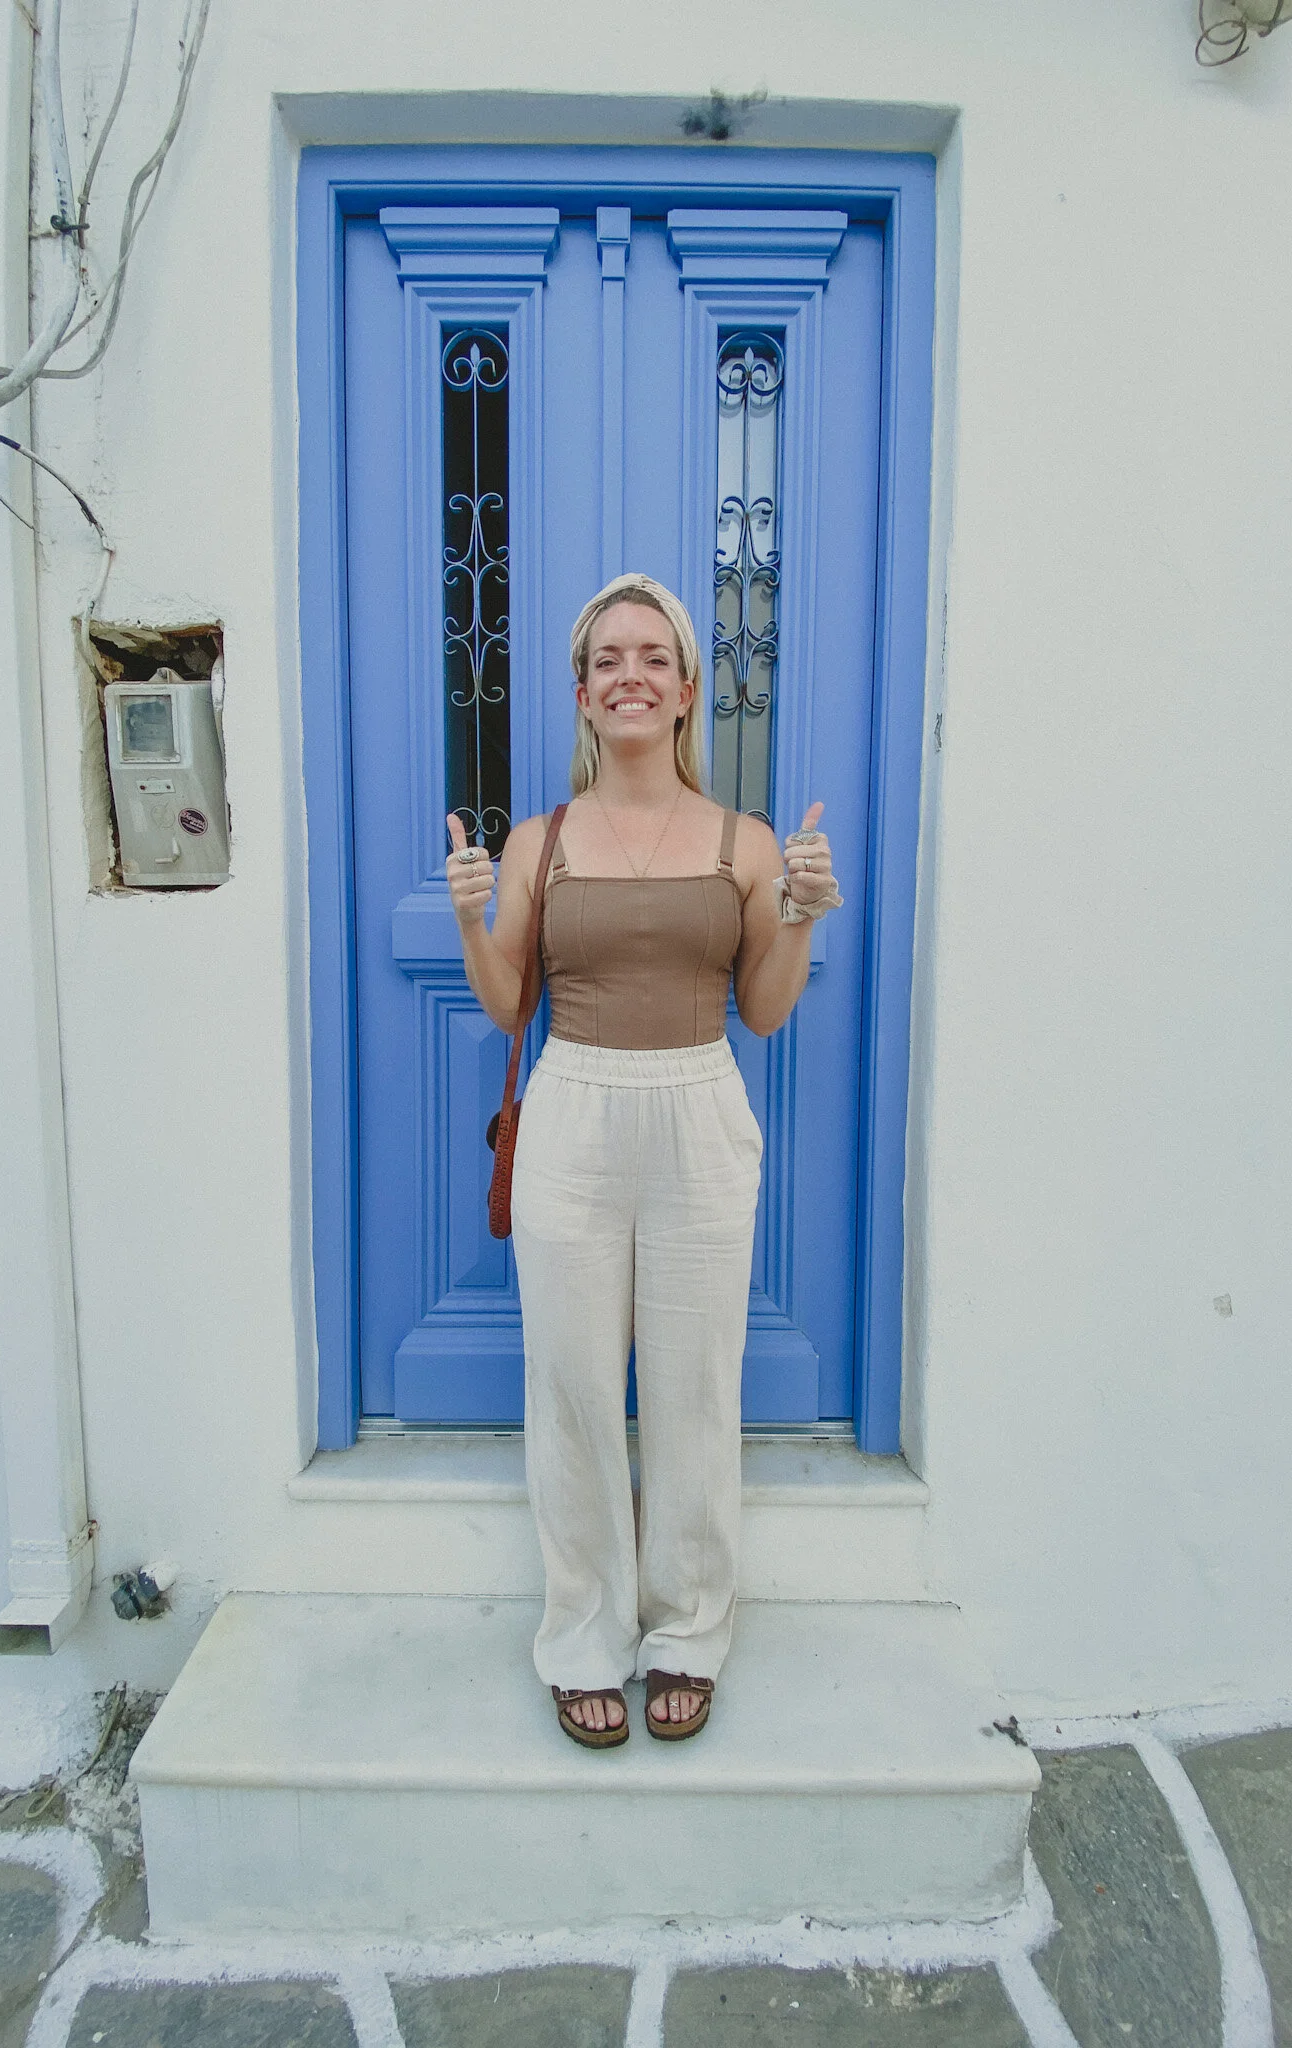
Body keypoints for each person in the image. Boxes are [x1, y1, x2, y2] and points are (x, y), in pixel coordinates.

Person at [443, 573, 842, 1747]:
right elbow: (508, 1001)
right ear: (581, 692)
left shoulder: (743, 841)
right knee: (571, 1385)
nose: (631, 674)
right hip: (573, 1109)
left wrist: (801, 913)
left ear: (685, 691)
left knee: (693, 1384)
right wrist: (471, 917)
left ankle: (687, 1629)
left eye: (653, 657)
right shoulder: (540, 840)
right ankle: (583, 1634)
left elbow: (763, 1010)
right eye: (608, 659)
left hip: (698, 1110)